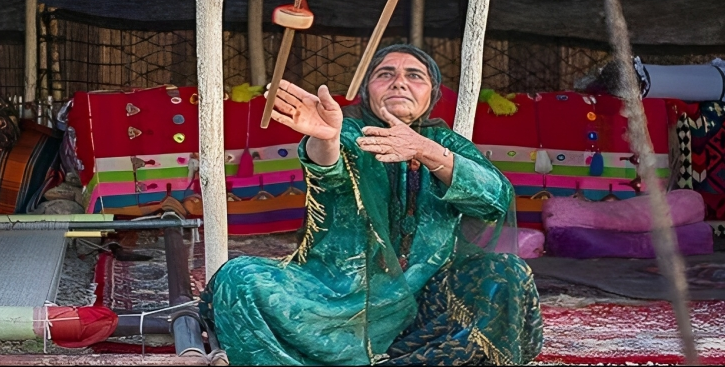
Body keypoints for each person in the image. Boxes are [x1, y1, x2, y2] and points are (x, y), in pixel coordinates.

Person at [200, 44, 543, 366]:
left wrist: (424, 151)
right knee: (239, 277)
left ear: (431, 93)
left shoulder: (444, 143)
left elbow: (495, 198)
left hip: (424, 299)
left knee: (507, 273)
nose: (399, 83)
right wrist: (326, 138)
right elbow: (327, 172)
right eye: (385, 74)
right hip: (336, 295)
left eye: (414, 75)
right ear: (368, 90)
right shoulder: (349, 132)